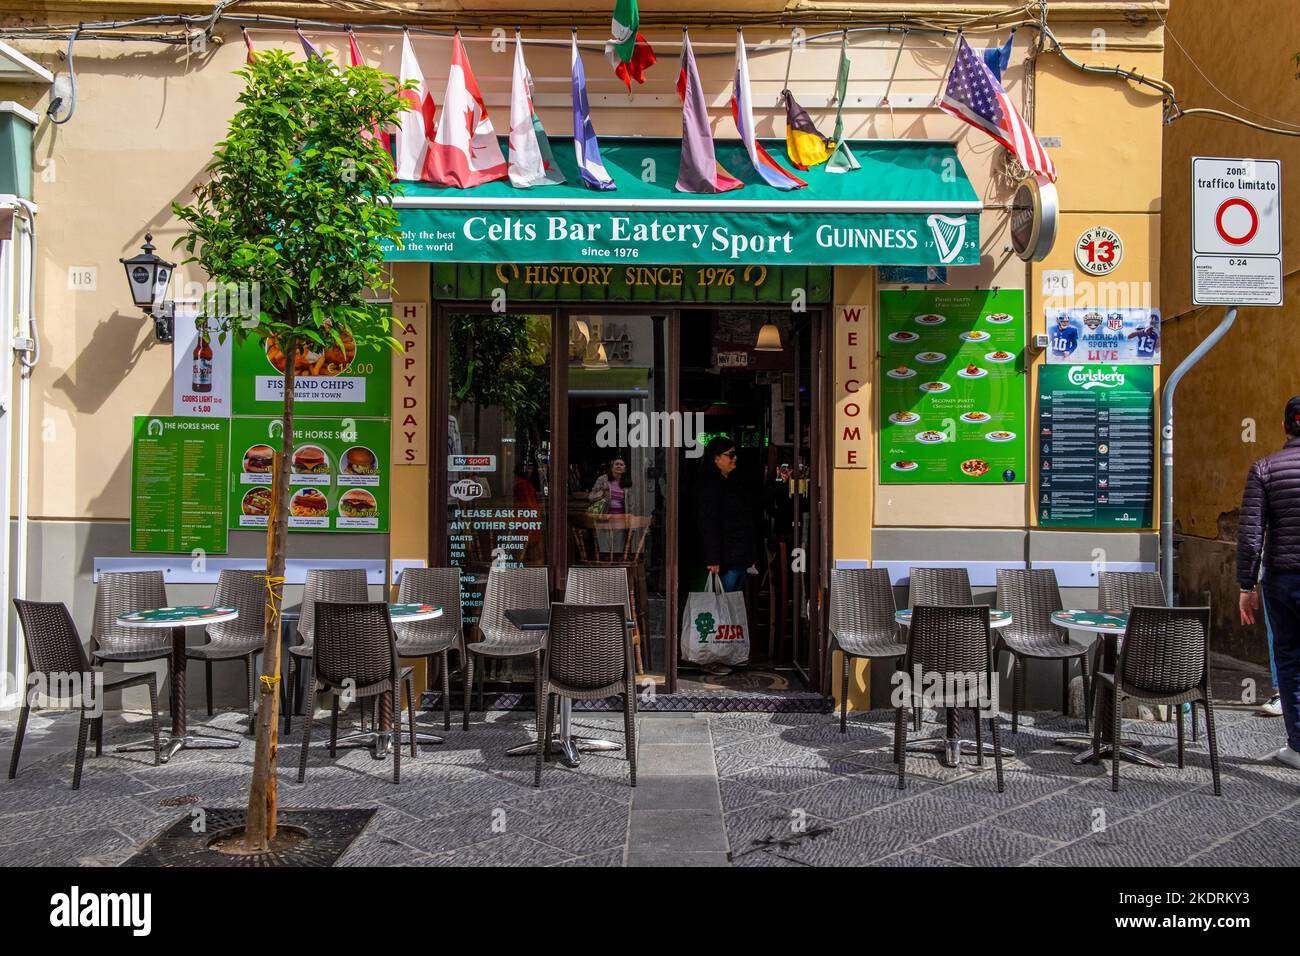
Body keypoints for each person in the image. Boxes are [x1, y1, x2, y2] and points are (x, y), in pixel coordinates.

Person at [1237, 396, 1300, 770]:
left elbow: (1249, 535)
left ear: (1283, 426)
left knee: (1290, 662)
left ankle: (1297, 747)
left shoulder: (1265, 468)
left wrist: (1247, 586)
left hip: (1284, 579)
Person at [696, 437, 757, 594]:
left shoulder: (732, 481)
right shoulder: (710, 485)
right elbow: (709, 523)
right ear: (716, 458)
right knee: (723, 603)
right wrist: (713, 558)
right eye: (730, 454)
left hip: (738, 557)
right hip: (725, 560)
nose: (734, 458)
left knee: (731, 603)